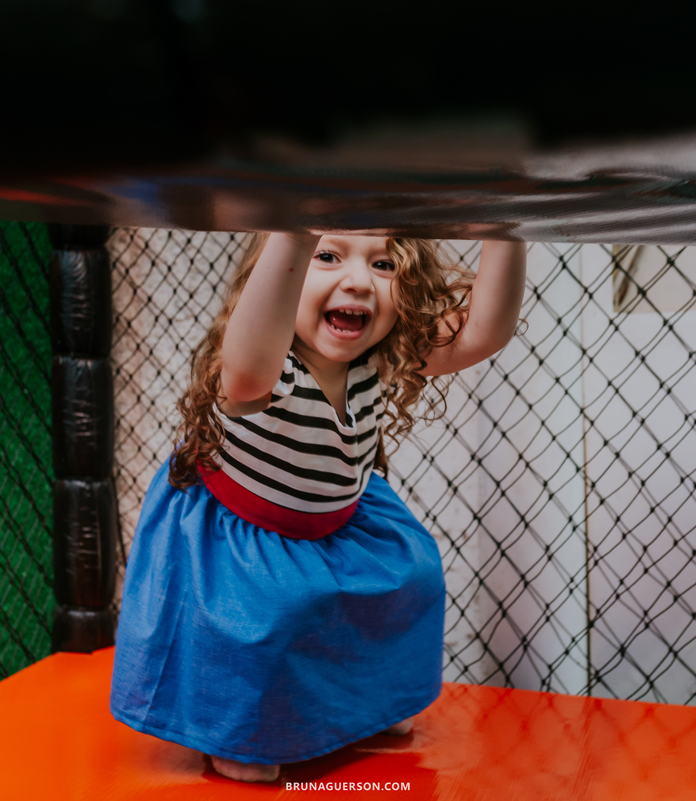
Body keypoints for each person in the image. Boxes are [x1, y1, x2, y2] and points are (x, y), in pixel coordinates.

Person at [110, 232, 526, 782]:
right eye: (327, 256)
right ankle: (238, 731)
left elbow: (484, 332)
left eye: (383, 263)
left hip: (338, 522)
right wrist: (295, 229)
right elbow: (244, 366)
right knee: (273, 615)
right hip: (245, 536)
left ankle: (373, 703)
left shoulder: (385, 356)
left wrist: (504, 229)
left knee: (411, 579)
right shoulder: (266, 371)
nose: (356, 279)